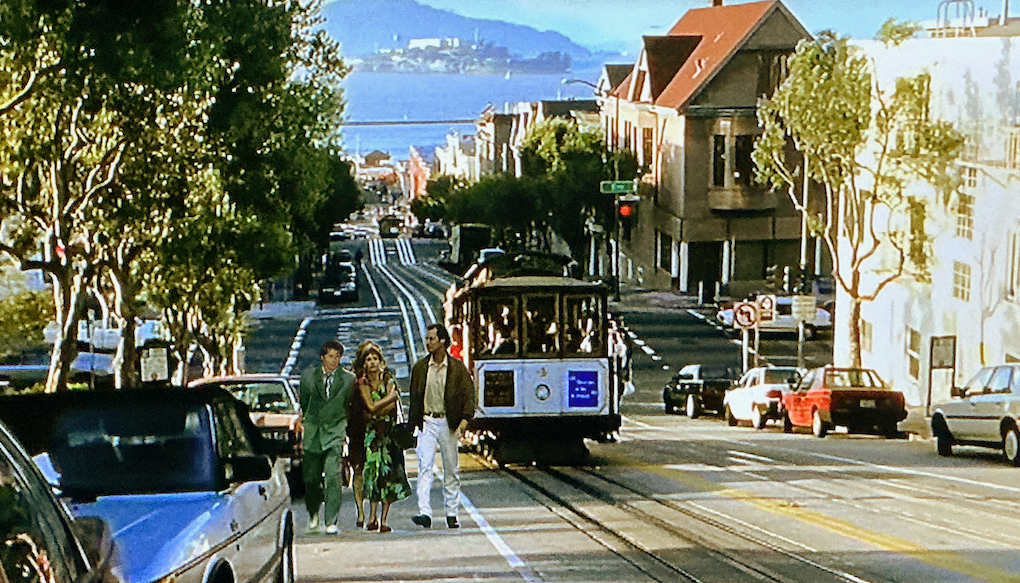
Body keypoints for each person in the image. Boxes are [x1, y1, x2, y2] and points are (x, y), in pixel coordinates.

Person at [408, 323, 476, 529]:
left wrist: (464, 420)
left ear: (443, 341)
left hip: (449, 422)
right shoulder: (420, 368)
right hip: (427, 421)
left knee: (451, 468)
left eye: (432, 339)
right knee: (424, 466)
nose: (428, 342)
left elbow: (468, 393)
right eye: (427, 339)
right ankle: (425, 512)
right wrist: (414, 422)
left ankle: (452, 513)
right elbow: (414, 396)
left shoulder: (456, 368)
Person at [298, 340, 356, 534]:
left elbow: (350, 405)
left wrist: (344, 426)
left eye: (338, 356)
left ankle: (331, 520)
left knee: (333, 476)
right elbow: (304, 404)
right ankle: (313, 515)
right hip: (314, 432)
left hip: (335, 431)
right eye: (331, 356)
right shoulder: (307, 378)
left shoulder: (348, 379)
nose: (334, 360)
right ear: (322, 357)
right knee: (312, 479)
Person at [355, 341, 412, 533]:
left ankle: (384, 519)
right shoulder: (363, 383)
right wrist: (390, 398)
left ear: (381, 362)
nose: (372, 362)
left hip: (389, 433)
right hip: (372, 435)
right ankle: (371, 516)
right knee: (372, 473)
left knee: (389, 474)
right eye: (368, 359)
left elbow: (387, 409)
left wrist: (381, 407)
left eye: (375, 359)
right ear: (364, 364)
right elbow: (370, 406)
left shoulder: (389, 379)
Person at [345, 375, 368, 529]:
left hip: (376, 430)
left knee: (373, 471)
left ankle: (373, 512)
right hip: (356, 432)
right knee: (358, 471)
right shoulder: (351, 385)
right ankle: (360, 512)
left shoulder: (383, 379)